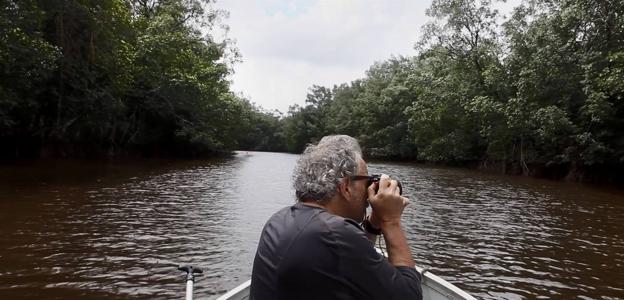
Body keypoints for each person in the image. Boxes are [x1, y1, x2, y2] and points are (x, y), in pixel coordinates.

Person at [250, 135, 422, 300]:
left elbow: (353, 260)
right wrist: (391, 221)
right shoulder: (335, 234)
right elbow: (409, 296)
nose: (369, 191)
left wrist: (374, 223)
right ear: (346, 187)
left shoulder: (279, 219)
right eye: (366, 181)